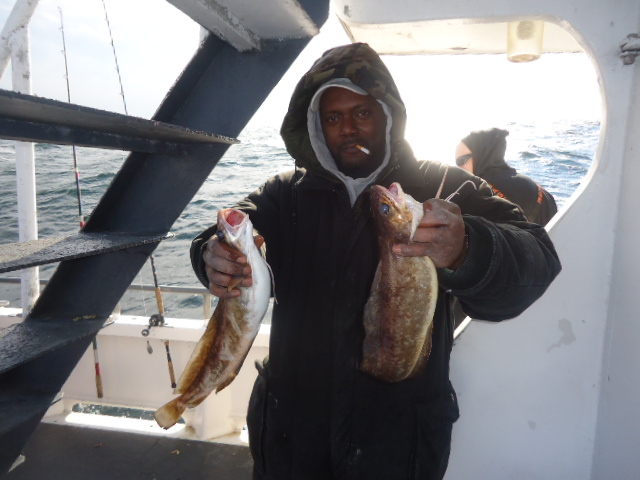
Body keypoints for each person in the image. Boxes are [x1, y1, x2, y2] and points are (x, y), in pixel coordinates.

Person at [191, 43, 561, 480]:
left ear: (388, 114)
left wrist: (468, 247)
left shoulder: (447, 185)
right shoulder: (283, 193)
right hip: (289, 437)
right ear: (315, 125)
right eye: (333, 118)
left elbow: (538, 258)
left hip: (397, 444)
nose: (348, 128)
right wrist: (211, 253)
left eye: (362, 112)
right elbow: (229, 226)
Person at [455, 128, 558, 226]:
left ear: (481, 153)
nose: (458, 168)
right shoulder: (538, 188)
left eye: (461, 161)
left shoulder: (482, 192)